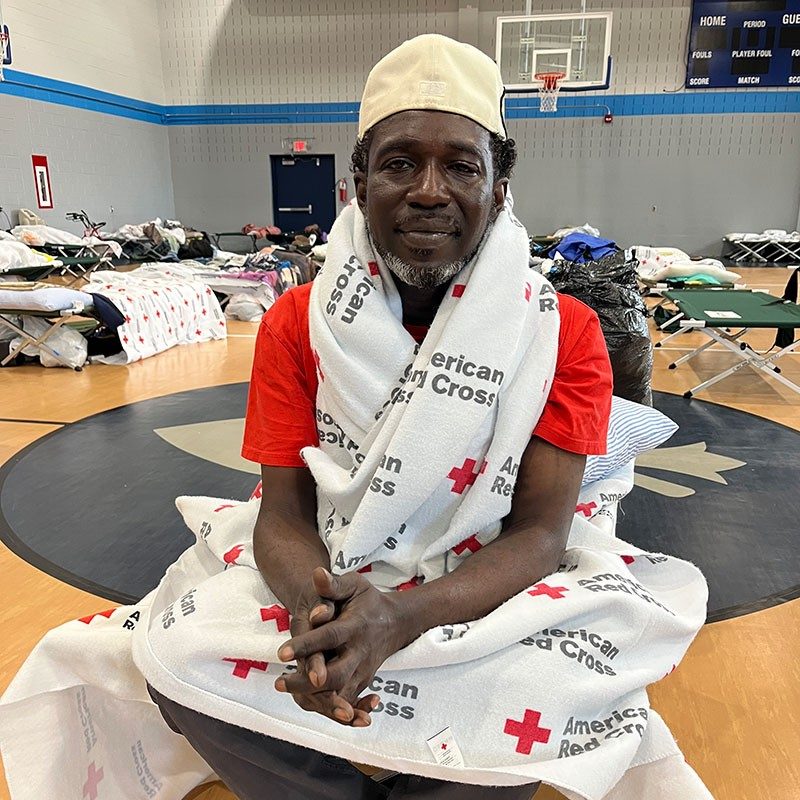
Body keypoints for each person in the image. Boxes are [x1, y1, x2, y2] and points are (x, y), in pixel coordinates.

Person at [148, 33, 612, 799]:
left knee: (558, 695)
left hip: (483, 578)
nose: (428, 190)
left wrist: (400, 617)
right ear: (359, 181)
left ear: (500, 186)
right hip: (329, 565)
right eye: (399, 163)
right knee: (175, 666)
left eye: (461, 165)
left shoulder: (561, 333)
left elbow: (538, 535)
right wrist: (319, 620)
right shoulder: (298, 322)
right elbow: (283, 514)